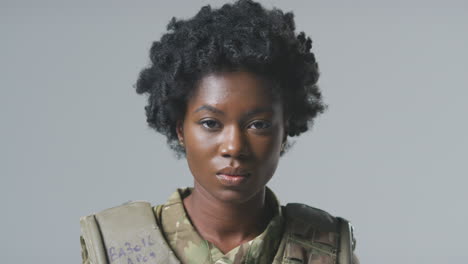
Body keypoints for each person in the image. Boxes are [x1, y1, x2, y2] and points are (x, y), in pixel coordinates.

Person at [80, 1, 359, 263]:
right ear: (180, 129)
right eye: (211, 123)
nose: (234, 147)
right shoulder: (114, 248)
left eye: (258, 124)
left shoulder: (329, 249)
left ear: (285, 132)